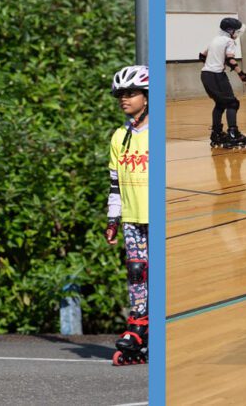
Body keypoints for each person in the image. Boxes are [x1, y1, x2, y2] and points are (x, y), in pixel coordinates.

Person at [105, 65, 151, 365]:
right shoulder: (119, 137)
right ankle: (138, 326)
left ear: (146, 97)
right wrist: (112, 219)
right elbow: (114, 183)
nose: (125, 99)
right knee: (136, 273)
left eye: (131, 93)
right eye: (121, 94)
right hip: (132, 218)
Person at [200, 17, 246, 148]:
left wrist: (211, 65)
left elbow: (202, 55)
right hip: (216, 75)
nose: (237, 34)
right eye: (237, 31)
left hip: (205, 74)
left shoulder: (214, 40)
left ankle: (216, 133)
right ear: (230, 31)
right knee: (232, 103)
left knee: (220, 104)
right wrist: (241, 74)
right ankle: (233, 132)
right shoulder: (229, 41)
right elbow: (230, 60)